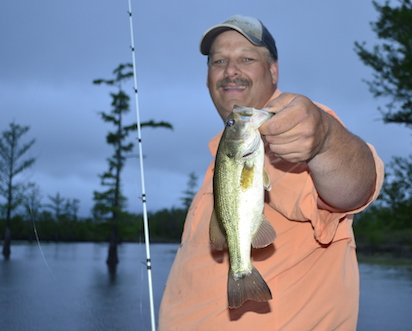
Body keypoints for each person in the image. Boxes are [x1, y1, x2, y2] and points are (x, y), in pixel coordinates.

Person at [159, 15, 384, 330]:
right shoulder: (224, 151)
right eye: (218, 61)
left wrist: (326, 140)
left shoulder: (294, 131)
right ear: (208, 77)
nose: (230, 70)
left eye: (246, 58)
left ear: (274, 71)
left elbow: (354, 189)